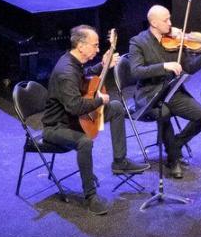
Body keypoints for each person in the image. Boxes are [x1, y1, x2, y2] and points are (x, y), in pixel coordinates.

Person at [42, 25, 150, 215]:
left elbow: (84, 78)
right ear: (81, 46)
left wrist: (103, 65)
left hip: (74, 119)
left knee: (116, 107)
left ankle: (120, 161)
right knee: (84, 142)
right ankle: (90, 196)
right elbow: (75, 106)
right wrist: (100, 100)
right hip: (57, 126)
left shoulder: (74, 62)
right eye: (95, 45)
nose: (98, 49)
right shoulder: (66, 71)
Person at [128, 5, 201, 178]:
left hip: (172, 90)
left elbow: (189, 68)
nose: (170, 23)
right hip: (150, 93)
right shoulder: (138, 42)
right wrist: (164, 66)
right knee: (164, 113)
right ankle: (173, 159)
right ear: (154, 23)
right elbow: (136, 71)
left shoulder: (175, 40)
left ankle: (176, 144)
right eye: (166, 20)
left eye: (170, 18)